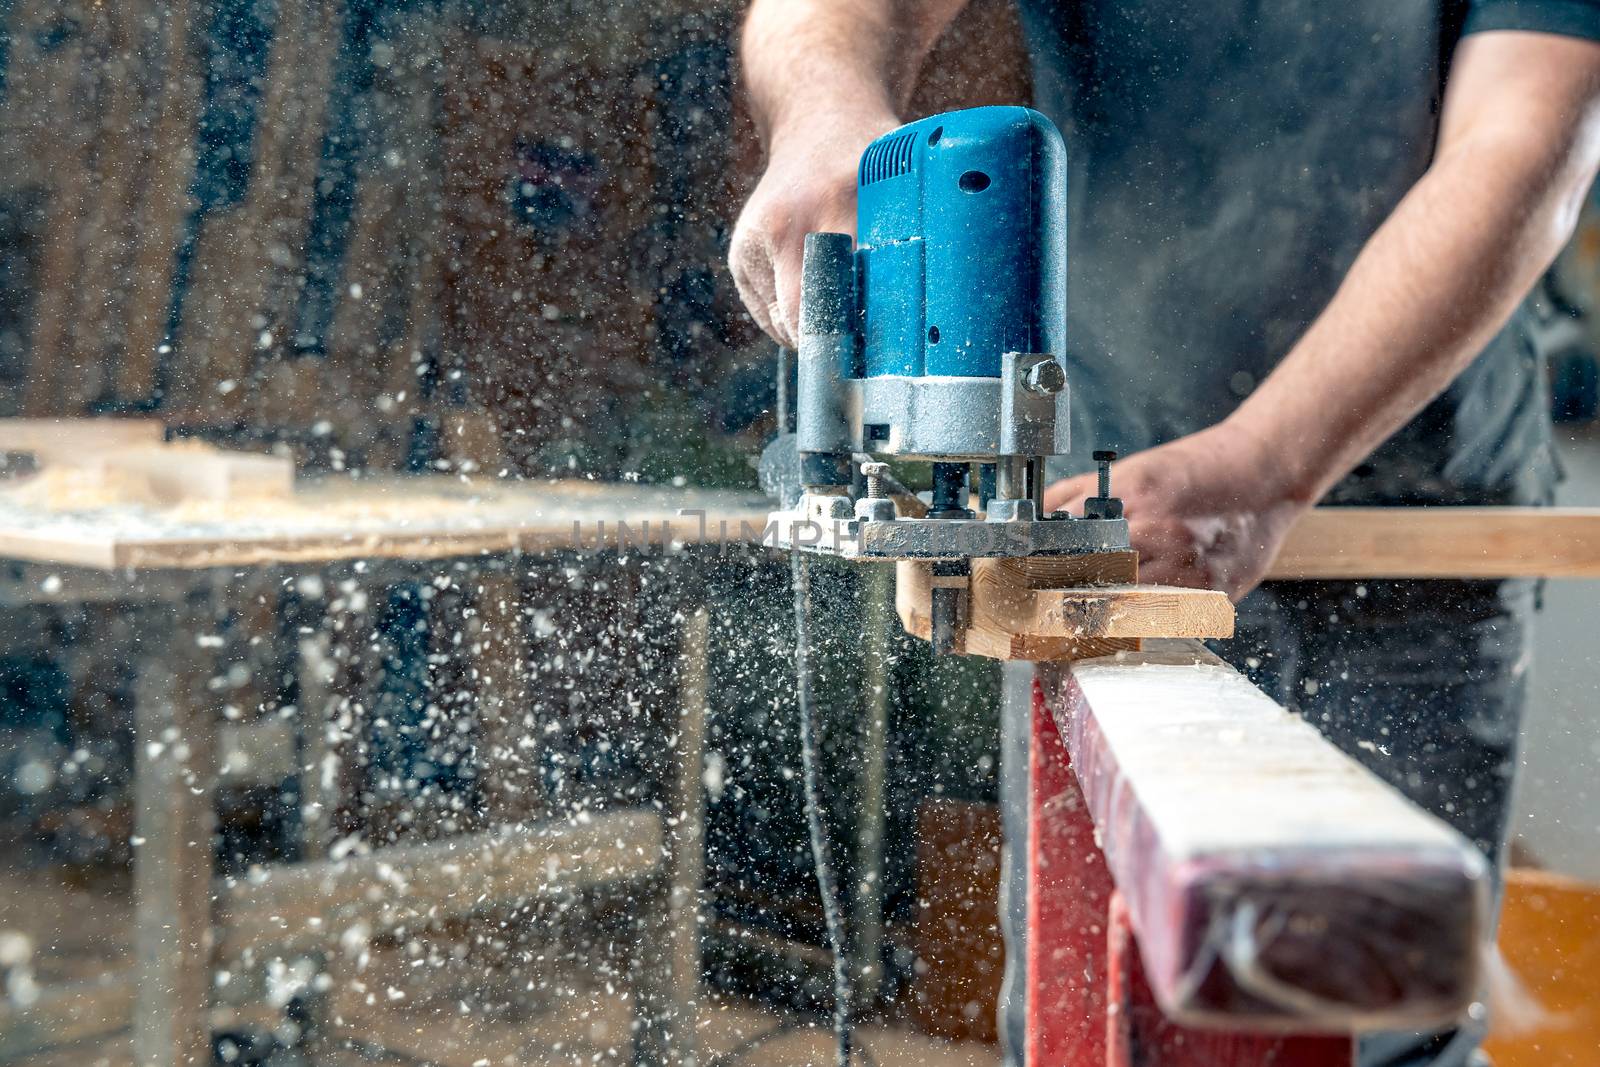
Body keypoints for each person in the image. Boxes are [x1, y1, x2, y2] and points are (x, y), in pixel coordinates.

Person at [729, 2, 1600, 1065]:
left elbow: (1526, 140)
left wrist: (1263, 467)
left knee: (1381, 997)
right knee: (1090, 1011)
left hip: (1410, 504)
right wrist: (824, 112)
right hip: (1110, 502)